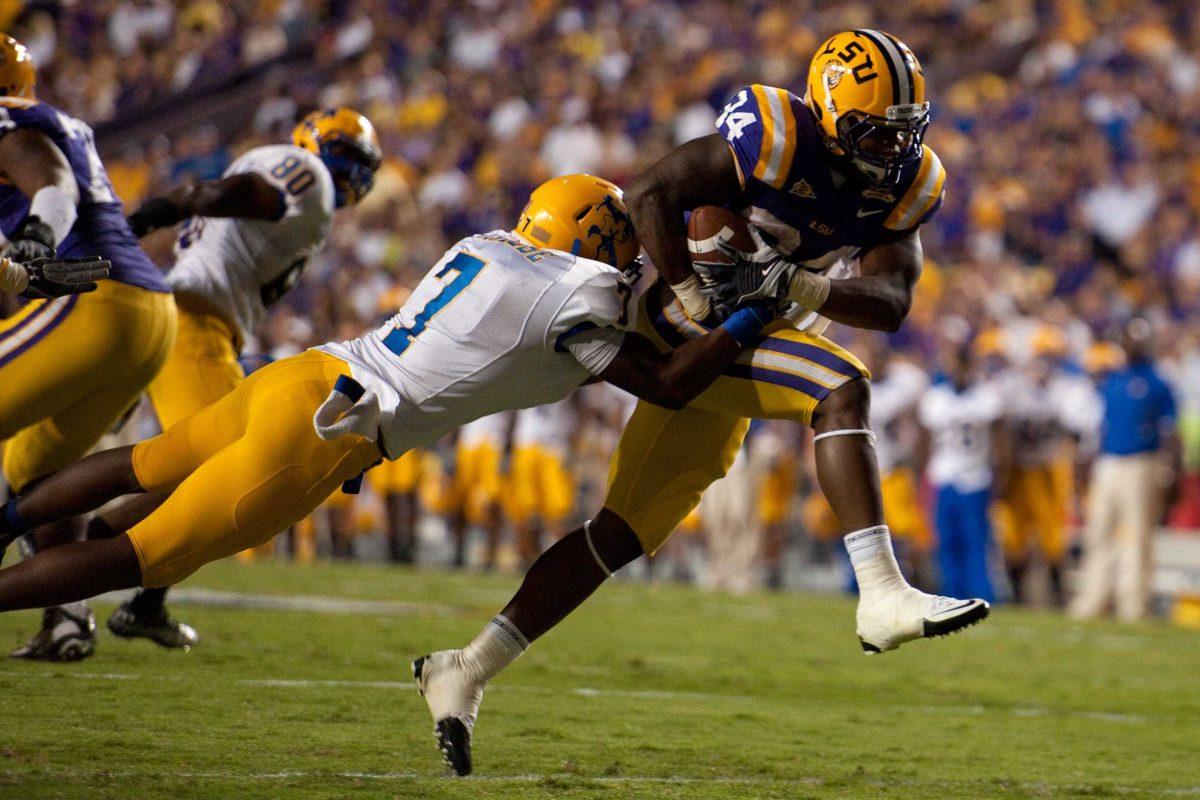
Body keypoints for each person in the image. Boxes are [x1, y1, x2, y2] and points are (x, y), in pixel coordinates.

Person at [415, 29, 988, 777]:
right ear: (829, 111)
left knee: (617, 534)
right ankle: (881, 594)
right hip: (690, 320)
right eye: (877, 130)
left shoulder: (909, 181)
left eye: (905, 130)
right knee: (840, 386)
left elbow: (891, 300)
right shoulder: (776, 135)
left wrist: (804, 286)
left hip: (754, 333)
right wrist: (689, 289)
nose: (894, 146)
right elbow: (652, 191)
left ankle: (465, 668)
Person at [0, 174, 777, 636]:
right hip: (327, 430)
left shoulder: (484, 246)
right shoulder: (581, 291)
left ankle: (6, 517)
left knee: (140, 463)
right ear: (594, 237)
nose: (634, 263)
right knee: (134, 556)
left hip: (303, 374)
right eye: (625, 247)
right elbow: (671, 384)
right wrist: (749, 314)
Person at [86, 107, 382, 648]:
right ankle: (87, 562)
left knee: (196, 469)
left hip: (198, 325)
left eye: (361, 164)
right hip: (196, 324)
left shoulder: (306, 186)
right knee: (226, 466)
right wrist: (150, 217)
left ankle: (126, 580)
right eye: (346, 155)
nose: (352, 173)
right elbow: (233, 193)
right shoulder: (305, 171)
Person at [0, 35, 177, 662]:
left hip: (95, 300)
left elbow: (52, 184)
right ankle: (68, 619)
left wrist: (37, 238)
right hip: (146, 315)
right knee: (34, 470)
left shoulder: (13, 123)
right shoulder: (48, 119)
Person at [1070, 318, 1180, 621]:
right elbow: (1099, 428)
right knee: (1098, 531)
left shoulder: (1157, 382)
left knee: (1136, 535)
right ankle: (1092, 598)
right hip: (1108, 462)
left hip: (1141, 463)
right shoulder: (1113, 380)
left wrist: (1171, 473)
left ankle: (1133, 603)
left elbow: (1171, 432)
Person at [994, 326, 1099, 606]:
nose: (1043, 362)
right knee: (1013, 537)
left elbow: (1079, 433)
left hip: (1052, 469)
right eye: (1040, 355)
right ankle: (1016, 597)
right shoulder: (1011, 385)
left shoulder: (1070, 389)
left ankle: (1055, 597)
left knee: (1054, 538)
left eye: (1050, 356)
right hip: (1018, 470)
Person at [918, 340, 1009, 603]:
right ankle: (952, 597)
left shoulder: (987, 396)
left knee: (976, 542)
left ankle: (981, 596)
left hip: (975, 478)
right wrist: (922, 479)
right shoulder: (936, 398)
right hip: (944, 476)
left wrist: (1000, 479)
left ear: (971, 367)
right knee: (946, 542)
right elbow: (924, 443)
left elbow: (1002, 442)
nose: (957, 371)